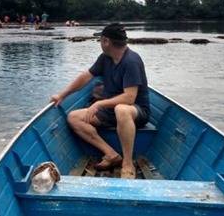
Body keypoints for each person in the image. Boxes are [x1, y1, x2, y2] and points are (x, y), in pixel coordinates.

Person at [50, 23, 149, 179]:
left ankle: (128, 163)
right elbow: (86, 76)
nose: (100, 44)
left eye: (100, 40)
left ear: (106, 41)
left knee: (121, 109)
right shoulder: (105, 58)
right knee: (74, 118)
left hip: (136, 111)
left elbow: (129, 98)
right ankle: (111, 154)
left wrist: (99, 103)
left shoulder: (131, 61)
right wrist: (62, 95)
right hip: (110, 111)